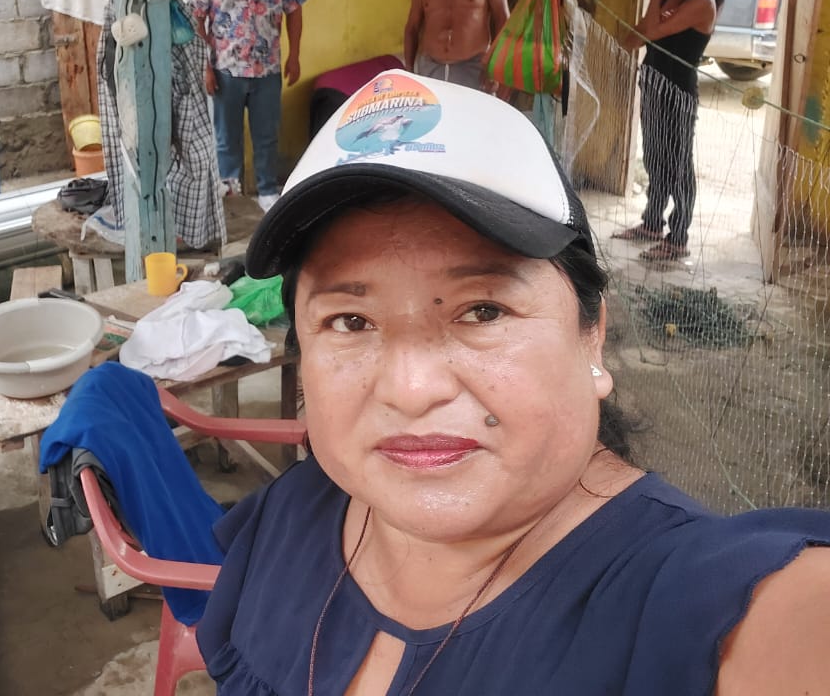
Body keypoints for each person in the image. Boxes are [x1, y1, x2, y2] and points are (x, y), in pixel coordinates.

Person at [197, 68, 830, 695]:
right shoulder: (289, 519)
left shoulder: (696, 606)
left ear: (592, 336)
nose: (411, 389)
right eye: (351, 321)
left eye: (483, 311)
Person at [191, 0, 308, 213]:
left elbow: (294, 8)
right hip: (226, 70)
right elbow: (196, 18)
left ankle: (268, 192)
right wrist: (205, 66)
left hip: (267, 68)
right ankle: (231, 197)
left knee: (267, 136)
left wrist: (295, 55)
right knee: (226, 139)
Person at [614, 0, 723, 262]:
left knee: (678, 166)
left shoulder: (703, 3)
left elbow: (653, 32)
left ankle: (677, 239)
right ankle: (651, 224)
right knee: (654, 159)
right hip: (652, 86)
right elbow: (632, 39)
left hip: (677, 94)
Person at [97, 0, 225, 250]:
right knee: (141, 166)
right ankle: (154, 228)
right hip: (136, 98)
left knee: (195, 158)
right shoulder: (122, 3)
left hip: (176, 92)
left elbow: (189, 45)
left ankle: (182, 230)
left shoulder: (164, 0)